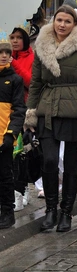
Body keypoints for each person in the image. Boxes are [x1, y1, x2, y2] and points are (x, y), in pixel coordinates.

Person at [25, 5, 77, 232]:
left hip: (73, 111)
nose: (62, 25)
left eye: (68, 21)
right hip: (47, 110)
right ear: (53, 21)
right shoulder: (42, 46)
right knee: (48, 161)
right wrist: (31, 114)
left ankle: (66, 212)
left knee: (71, 164)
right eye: (59, 20)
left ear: (74, 24)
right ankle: (51, 209)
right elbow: (36, 83)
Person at [0, 34, 25, 228]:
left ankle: (7, 211)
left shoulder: (15, 80)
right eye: (0, 52)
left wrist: (11, 133)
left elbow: (19, 109)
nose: (3, 55)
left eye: (7, 52)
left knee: (5, 176)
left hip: (4, 136)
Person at [10, 27, 33, 211]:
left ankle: (23, 186)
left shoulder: (31, 57)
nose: (15, 41)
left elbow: (30, 81)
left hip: (25, 109)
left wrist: (13, 64)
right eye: (12, 37)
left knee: (22, 152)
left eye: (19, 37)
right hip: (5, 109)